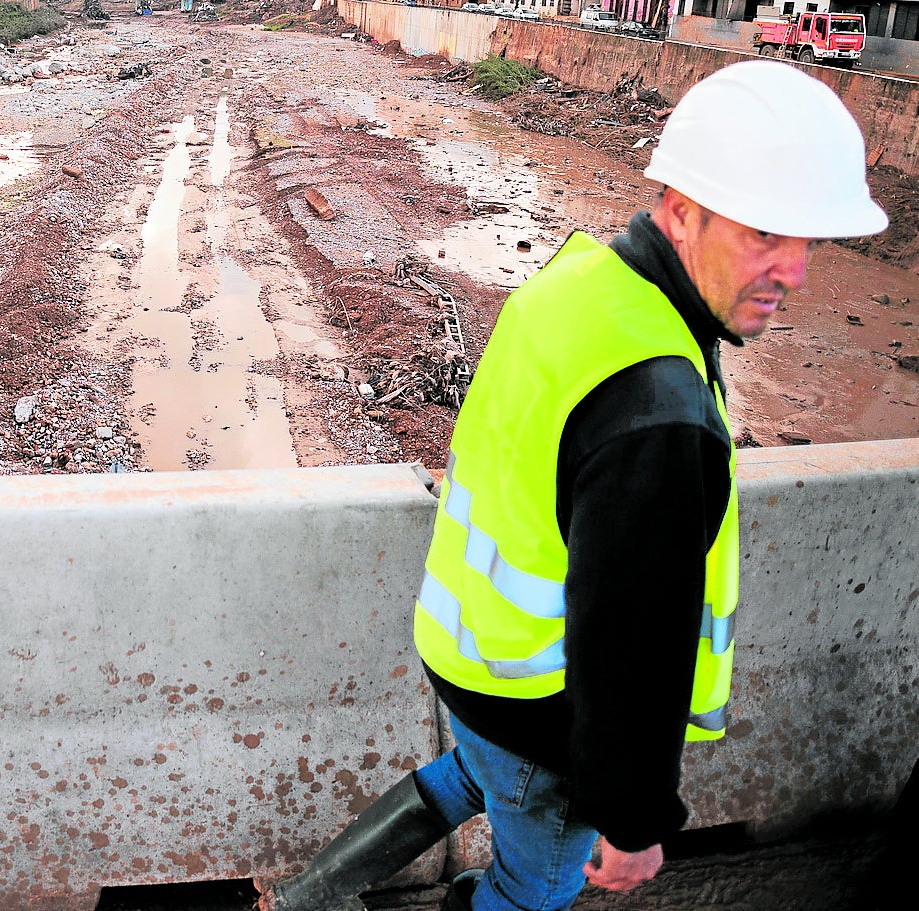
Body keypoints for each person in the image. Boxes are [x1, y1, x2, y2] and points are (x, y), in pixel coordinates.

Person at [261, 60, 887, 911]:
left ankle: (302, 897)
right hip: (542, 710)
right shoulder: (658, 406)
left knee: (468, 775)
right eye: (763, 235)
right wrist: (632, 825)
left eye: (806, 241)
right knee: (533, 887)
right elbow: (633, 648)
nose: (796, 272)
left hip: (470, 650)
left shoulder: (585, 281)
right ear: (680, 210)